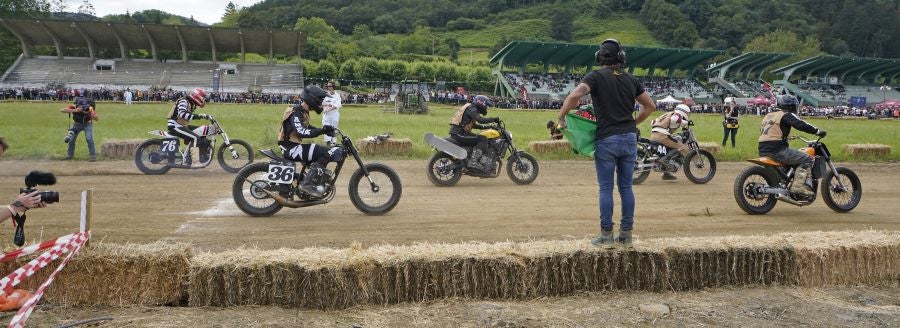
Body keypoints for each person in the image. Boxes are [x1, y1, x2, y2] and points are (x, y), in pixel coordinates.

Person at [557, 39, 656, 247]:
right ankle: (626, 235)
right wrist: (632, 122)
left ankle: (606, 235)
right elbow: (650, 106)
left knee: (605, 188)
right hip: (629, 139)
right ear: (620, 57)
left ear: (599, 57)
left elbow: (575, 95)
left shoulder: (594, 77)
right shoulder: (631, 79)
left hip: (607, 139)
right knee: (626, 187)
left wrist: (561, 117)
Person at [278, 85, 341, 198]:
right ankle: (307, 185)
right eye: (320, 100)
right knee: (325, 152)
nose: (321, 103)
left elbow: (307, 127)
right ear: (312, 98)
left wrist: (325, 130)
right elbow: (301, 131)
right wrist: (321, 131)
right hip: (289, 148)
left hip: (293, 147)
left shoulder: (302, 112)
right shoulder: (296, 111)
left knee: (321, 152)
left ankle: (310, 180)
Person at [759, 94, 826, 196]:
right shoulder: (785, 114)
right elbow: (801, 124)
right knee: (807, 159)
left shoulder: (769, 115)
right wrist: (817, 131)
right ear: (790, 106)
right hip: (777, 150)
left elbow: (773, 131)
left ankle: (785, 182)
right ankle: (797, 187)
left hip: (763, 150)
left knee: (792, 159)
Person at [448, 95, 501, 174]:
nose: (486, 108)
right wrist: (493, 119)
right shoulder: (471, 108)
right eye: (486, 105)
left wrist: (489, 126)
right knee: (482, 139)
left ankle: (472, 159)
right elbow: (480, 120)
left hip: (459, 132)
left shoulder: (470, 107)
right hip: (459, 133)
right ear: (481, 103)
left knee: (478, 137)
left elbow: (473, 125)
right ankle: (473, 161)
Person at [167, 88, 211, 168]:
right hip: (175, 126)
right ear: (197, 96)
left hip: (181, 125)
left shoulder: (190, 103)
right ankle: (195, 162)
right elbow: (182, 114)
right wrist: (199, 116)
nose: (203, 99)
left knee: (201, 131)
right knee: (195, 138)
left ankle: (190, 157)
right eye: (202, 97)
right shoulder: (184, 101)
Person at [649, 103, 691, 180]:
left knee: (669, 150)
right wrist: (687, 122)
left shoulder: (668, 113)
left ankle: (666, 174)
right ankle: (664, 160)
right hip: (662, 135)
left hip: (653, 134)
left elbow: (653, 121)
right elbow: (675, 119)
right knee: (682, 147)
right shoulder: (677, 115)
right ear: (685, 112)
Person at [61, 97, 98, 162]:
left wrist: (88, 113)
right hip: (76, 124)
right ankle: (69, 155)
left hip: (87, 124)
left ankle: (92, 156)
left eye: (84, 106)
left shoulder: (90, 108)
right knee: (71, 140)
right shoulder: (73, 106)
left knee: (89, 138)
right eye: (82, 106)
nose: (83, 107)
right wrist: (76, 110)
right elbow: (62, 110)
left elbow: (97, 118)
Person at [321, 81, 342, 146]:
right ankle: (328, 144)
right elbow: (321, 104)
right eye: (327, 86)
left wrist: (329, 108)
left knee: (334, 128)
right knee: (326, 128)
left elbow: (337, 105)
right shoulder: (325, 95)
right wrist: (324, 107)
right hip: (326, 116)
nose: (328, 87)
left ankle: (333, 143)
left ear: (333, 87)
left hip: (334, 115)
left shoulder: (337, 96)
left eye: (330, 86)